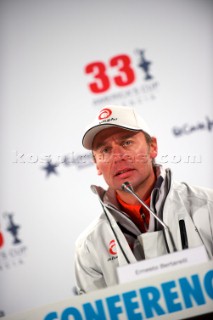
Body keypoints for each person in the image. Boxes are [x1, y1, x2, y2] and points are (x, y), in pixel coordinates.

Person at [74, 105, 213, 294]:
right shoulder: (89, 246)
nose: (117, 156)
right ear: (97, 164)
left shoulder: (208, 206)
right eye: (105, 150)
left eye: (126, 143)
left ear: (153, 147)